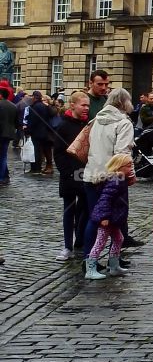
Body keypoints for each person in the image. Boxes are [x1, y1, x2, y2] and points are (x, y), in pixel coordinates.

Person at [82, 88, 142, 257]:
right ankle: (111, 261)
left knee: (94, 219)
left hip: (91, 173)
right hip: (113, 178)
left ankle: (89, 259)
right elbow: (122, 154)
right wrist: (130, 175)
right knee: (116, 220)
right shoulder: (124, 123)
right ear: (125, 102)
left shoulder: (96, 119)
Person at [51, 89, 90, 260]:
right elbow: (58, 153)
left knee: (84, 209)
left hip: (85, 173)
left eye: (88, 105)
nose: (86, 108)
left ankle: (79, 242)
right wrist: (66, 172)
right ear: (73, 105)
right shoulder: (63, 125)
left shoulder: (87, 124)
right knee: (69, 210)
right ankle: (67, 246)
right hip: (69, 175)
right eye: (83, 105)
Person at [84, 153, 133, 280]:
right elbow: (105, 199)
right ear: (119, 167)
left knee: (119, 239)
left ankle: (114, 266)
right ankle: (90, 268)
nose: (131, 168)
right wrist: (104, 217)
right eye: (129, 165)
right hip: (108, 218)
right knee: (100, 242)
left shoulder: (120, 180)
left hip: (114, 218)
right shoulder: (115, 181)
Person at [26, 91, 56, 175]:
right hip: (46, 131)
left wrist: (28, 130)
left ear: (34, 97)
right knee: (44, 150)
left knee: (36, 150)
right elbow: (52, 114)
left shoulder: (34, 107)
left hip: (36, 132)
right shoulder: (44, 106)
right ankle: (43, 167)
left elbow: (32, 120)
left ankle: (36, 168)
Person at [0, 83, 18, 185]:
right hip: (8, 134)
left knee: (2, 156)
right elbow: (16, 122)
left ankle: (2, 177)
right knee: (3, 155)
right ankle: (5, 176)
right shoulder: (13, 106)